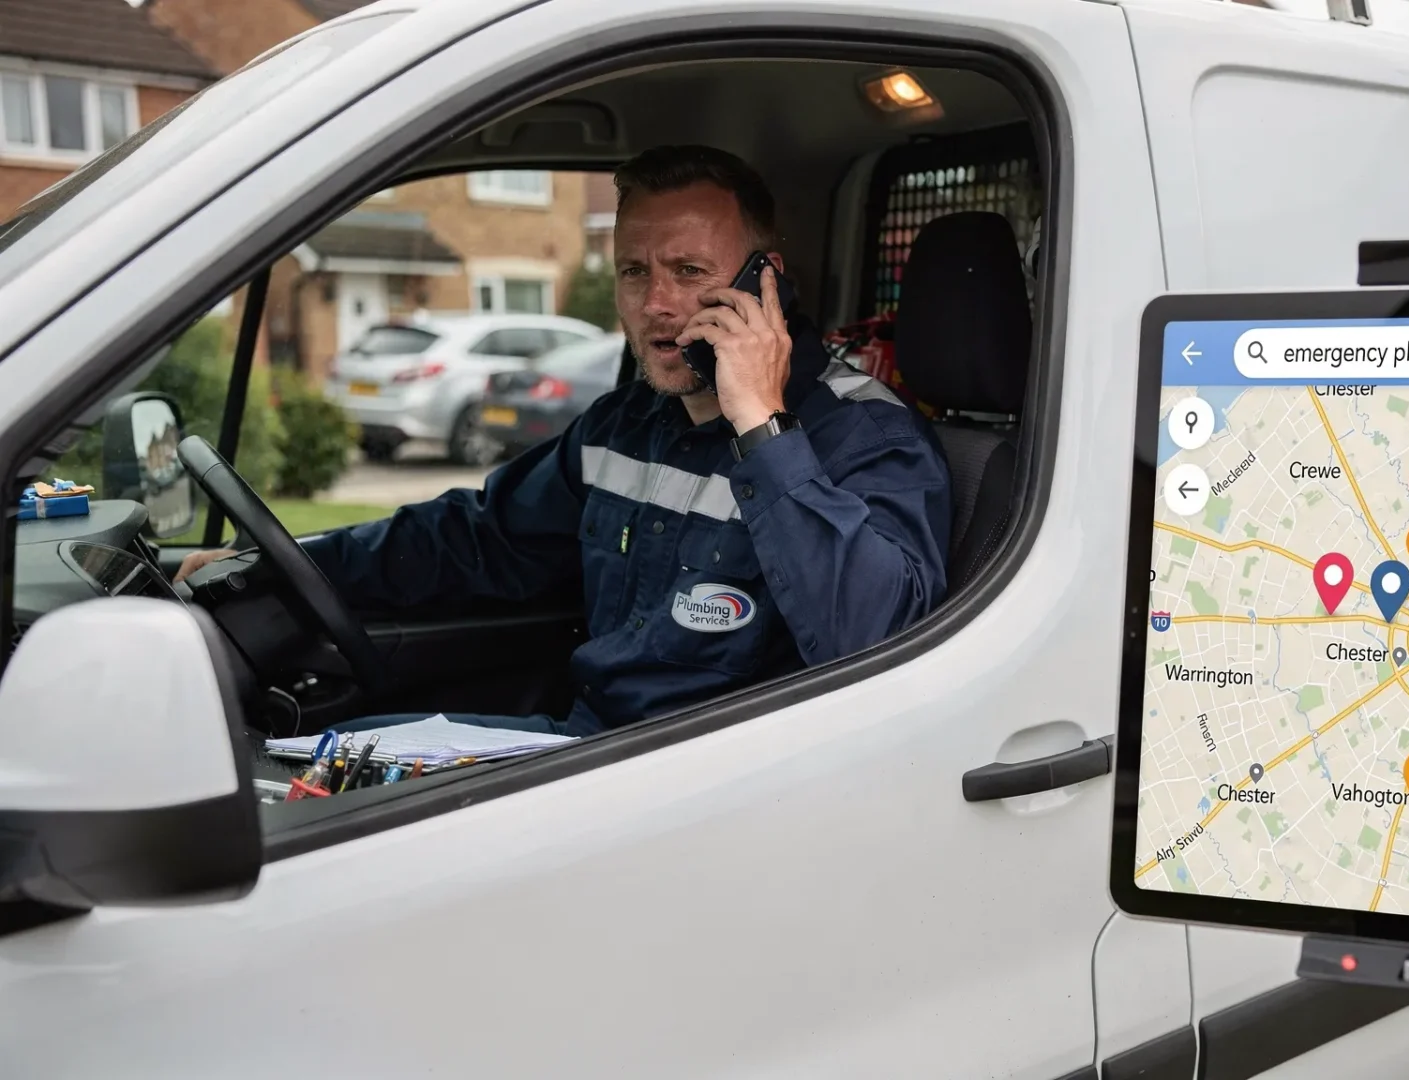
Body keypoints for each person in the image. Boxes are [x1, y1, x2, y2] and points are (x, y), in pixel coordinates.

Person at [181, 146, 952, 736]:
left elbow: (876, 646)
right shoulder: (628, 424)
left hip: (715, 787)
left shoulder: (865, 436)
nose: (656, 303)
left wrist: (760, 421)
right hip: (586, 754)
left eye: (689, 270)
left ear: (765, 281)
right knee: (315, 764)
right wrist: (284, 565)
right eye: (634, 272)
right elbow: (474, 540)